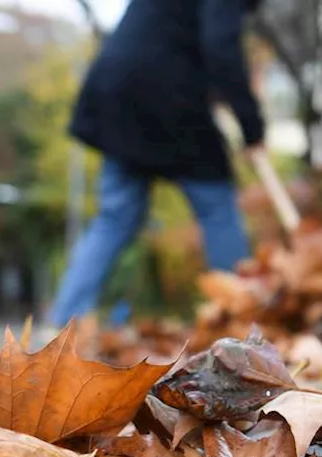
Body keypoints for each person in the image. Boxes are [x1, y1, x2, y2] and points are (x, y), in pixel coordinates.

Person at [49, 0, 266, 329]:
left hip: (118, 87)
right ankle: (242, 319)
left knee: (115, 217)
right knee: (217, 208)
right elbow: (221, 47)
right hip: (168, 94)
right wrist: (252, 127)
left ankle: (62, 322)